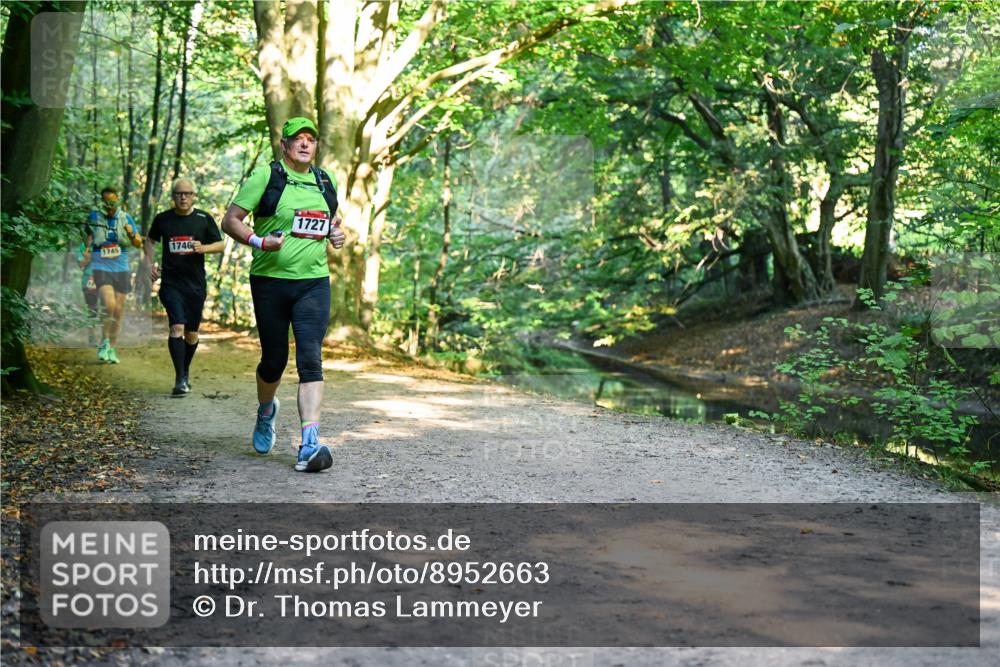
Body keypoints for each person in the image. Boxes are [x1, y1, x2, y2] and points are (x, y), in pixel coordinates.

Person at [220, 117, 346, 473]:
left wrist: (338, 235)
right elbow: (230, 220)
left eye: (311, 139)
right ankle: (265, 411)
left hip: (313, 282)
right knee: (273, 361)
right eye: (298, 139)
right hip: (270, 281)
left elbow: (333, 221)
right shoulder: (266, 176)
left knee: (311, 358)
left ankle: (309, 443)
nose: (305, 144)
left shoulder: (325, 180)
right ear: (284, 144)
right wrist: (260, 241)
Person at [145, 178, 225, 396]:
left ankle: (185, 370)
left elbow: (221, 245)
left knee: (191, 334)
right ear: (173, 197)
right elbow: (150, 241)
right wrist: (150, 264)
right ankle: (180, 379)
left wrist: (204, 248)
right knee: (176, 327)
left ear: (193, 196)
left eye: (187, 194)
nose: (183, 197)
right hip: (171, 284)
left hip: (196, 285)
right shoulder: (163, 219)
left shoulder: (203, 218)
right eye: (179, 194)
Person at [84, 186, 142, 364]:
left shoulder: (126, 217)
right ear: (102, 201)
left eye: (111, 201)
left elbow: (138, 243)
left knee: (118, 310)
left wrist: (132, 234)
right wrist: (87, 249)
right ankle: (104, 341)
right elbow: (87, 236)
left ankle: (111, 347)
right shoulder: (94, 216)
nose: (108, 205)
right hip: (101, 266)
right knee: (109, 305)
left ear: (117, 199)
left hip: (121, 267)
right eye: (105, 202)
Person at [75, 241, 101, 347]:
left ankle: (107, 338)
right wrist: (89, 257)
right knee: (92, 309)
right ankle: (92, 338)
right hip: (89, 280)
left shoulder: (104, 241)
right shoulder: (82, 246)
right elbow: (81, 264)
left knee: (108, 307)